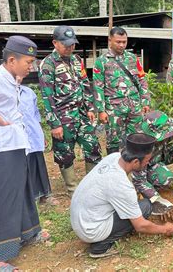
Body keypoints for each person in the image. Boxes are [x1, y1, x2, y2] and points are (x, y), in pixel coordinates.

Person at [0, 36, 47, 264]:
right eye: (28, 62)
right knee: (2, 198)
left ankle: (28, 232)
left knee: (22, 190)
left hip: (16, 145)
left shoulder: (12, 81)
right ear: (12, 59)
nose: (31, 67)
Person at [70, 133, 173, 258]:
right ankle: (100, 247)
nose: (147, 164)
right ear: (135, 161)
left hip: (81, 218)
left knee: (134, 206)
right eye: (146, 161)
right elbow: (140, 226)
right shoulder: (121, 185)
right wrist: (165, 229)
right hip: (90, 230)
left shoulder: (113, 158)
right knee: (145, 207)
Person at [38, 26, 102, 194]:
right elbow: (47, 96)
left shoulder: (76, 60)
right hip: (63, 117)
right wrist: (54, 124)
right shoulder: (48, 64)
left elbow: (85, 84)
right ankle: (72, 189)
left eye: (72, 44)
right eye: (66, 44)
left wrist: (89, 107)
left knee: (93, 146)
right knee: (65, 153)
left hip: (82, 114)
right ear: (55, 43)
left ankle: (92, 185)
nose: (70, 47)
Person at [93, 27, 150, 154]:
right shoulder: (101, 61)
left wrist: (145, 100)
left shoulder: (132, 58)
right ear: (110, 40)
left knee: (136, 137)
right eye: (118, 42)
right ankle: (114, 168)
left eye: (124, 42)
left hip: (134, 107)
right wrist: (101, 110)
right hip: (114, 109)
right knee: (113, 140)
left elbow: (141, 80)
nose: (122, 45)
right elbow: (98, 87)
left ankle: (134, 168)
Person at [19, 84, 56, 205]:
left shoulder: (29, 92)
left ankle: (45, 195)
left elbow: (36, 115)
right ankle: (31, 198)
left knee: (39, 163)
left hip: (34, 134)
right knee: (25, 165)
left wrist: (41, 134)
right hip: (19, 138)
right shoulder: (4, 92)